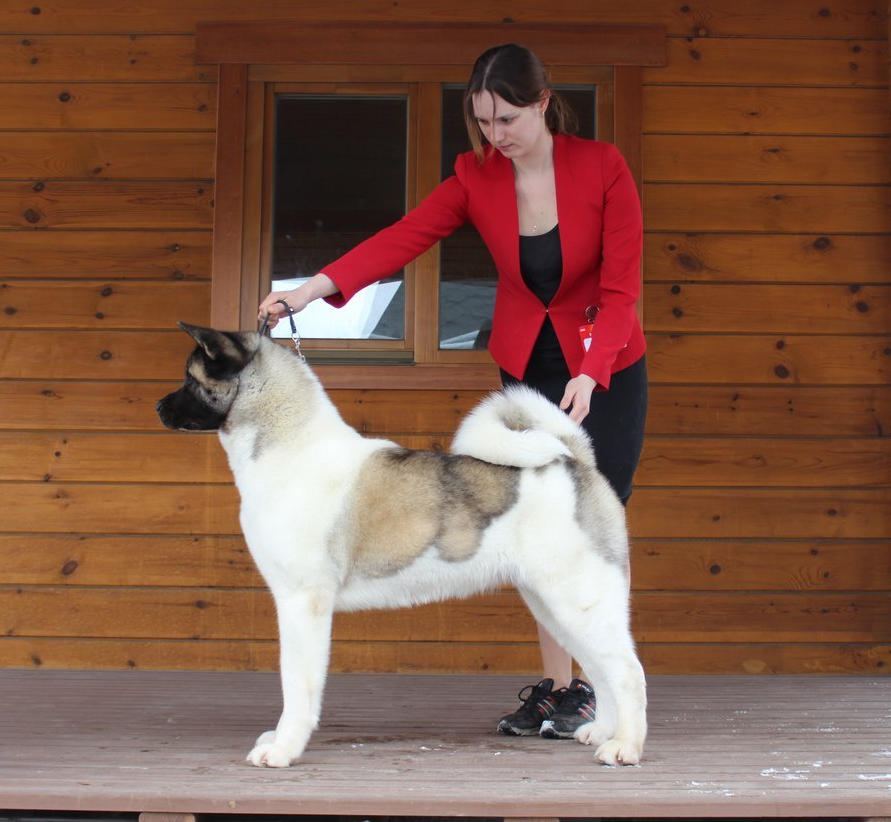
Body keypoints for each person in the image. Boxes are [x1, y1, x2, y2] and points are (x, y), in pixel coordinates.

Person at [259, 43, 648, 740]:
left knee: (588, 521)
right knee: (531, 520)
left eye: (507, 118)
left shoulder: (602, 166)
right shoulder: (475, 176)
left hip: (607, 366)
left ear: (541, 101)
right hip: (528, 362)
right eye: (483, 121)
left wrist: (592, 370)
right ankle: (565, 692)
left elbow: (621, 288)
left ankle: (612, 685)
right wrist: (314, 289)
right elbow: (404, 237)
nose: (496, 134)